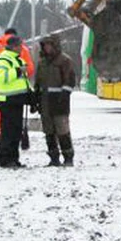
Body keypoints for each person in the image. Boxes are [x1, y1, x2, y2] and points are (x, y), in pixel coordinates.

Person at [0, 28, 35, 141]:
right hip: (17, 89)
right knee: (15, 115)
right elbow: (29, 70)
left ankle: (0, 132)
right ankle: (14, 135)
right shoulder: (22, 48)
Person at [0, 36, 33, 168]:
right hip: (7, 101)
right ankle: (6, 159)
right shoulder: (3, 59)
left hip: (15, 100)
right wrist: (19, 71)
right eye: (20, 46)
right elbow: (2, 77)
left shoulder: (15, 59)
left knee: (15, 131)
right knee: (9, 132)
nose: (22, 48)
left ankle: (13, 159)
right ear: (14, 47)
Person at [34, 34, 76, 167]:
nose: (47, 48)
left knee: (62, 130)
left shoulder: (64, 60)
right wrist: (35, 98)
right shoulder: (42, 62)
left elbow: (70, 80)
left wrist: (64, 94)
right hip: (44, 101)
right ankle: (53, 157)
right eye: (45, 45)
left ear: (55, 46)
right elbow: (38, 82)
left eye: (49, 45)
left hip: (59, 101)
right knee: (48, 131)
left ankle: (68, 157)